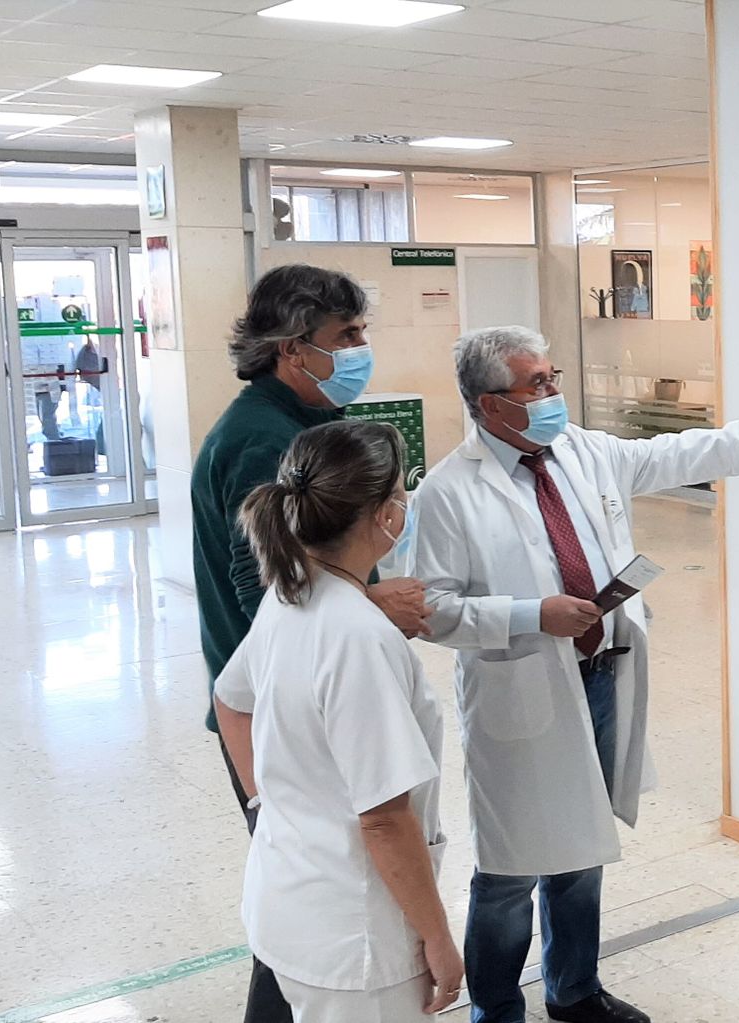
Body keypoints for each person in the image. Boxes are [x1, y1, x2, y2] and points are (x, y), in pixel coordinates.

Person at [409, 326, 739, 1023]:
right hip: (523, 691)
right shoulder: (449, 492)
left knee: (582, 848)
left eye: (553, 376)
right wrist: (531, 614)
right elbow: (433, 611)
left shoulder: (583, 452)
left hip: (602, 677)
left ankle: (574, 990)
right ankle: (496, 1009)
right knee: (510, 869)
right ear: (491, 404)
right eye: (537, 383)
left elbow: (673, 453)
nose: (554, 392)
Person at [192, 264, 432, 1023]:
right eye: (346, 335)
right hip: (290, 711)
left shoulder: (293, 423)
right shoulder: (264, 439)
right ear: (293, 348)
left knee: (297, 901)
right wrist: (365, 603)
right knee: (320, 907)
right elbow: (263, 587)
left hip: (274, 700)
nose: (361, 349)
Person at [214, 420, 463, 1023]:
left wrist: (267, 802)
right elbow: (383, 818)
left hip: (289, 899)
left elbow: (230, 701)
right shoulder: (359, 636)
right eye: (401, 493)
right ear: (384, 515)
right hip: (357, 940)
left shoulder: (289, 593)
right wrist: (437, 937)